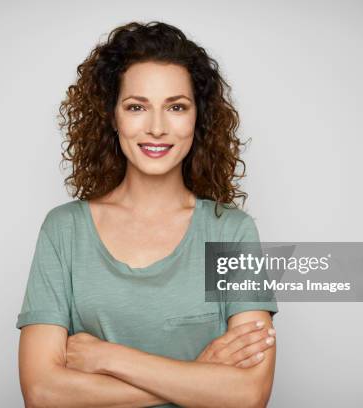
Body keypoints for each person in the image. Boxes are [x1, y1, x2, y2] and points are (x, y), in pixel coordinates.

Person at [16, 21, 279, 408]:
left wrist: (108, 357)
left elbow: (248, 395)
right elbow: (42, 393)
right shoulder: (64, 230)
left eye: (176, 107)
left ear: (197, 119)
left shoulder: (231, 232)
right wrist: (197, 376)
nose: (157, 127)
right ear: (112, 117)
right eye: (137, 107)